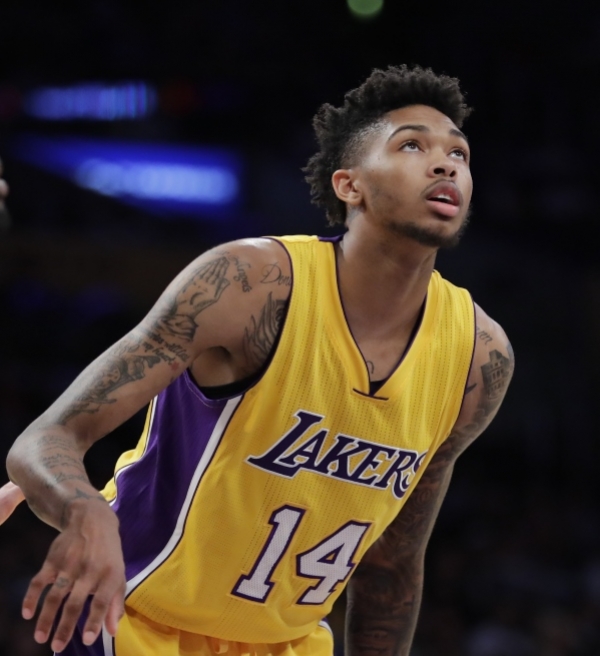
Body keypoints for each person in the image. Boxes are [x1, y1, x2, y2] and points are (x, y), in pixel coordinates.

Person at [0, 65, 514, 656]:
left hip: (290, 643)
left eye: (459, 153)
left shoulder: (479, 355)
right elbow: (45, 439)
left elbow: (392, 564)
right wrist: (84, 511)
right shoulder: (252, 285)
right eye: (412, 146)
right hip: (136, 623)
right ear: (349, 185)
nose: (446, 165)